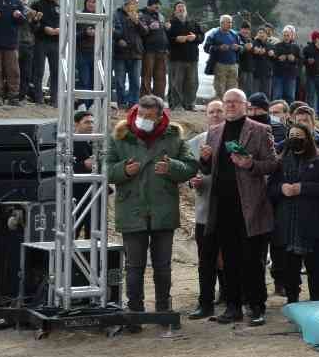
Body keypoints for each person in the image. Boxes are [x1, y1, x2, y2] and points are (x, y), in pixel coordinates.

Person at [107, 94, 195, 317]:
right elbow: (103, 168)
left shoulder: (174, 136)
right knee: (134, 266)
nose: (143, 119)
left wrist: (172, 167)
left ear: (159, 117)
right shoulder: (120, 136)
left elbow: (191, 166)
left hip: (163, 211)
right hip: (131, 211)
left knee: (163, 266)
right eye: (140, 114)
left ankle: (163, 308)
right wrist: (123, 171)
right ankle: (135, 311)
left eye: (149, 116)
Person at [197, 88, 278, 325]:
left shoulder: (261, 130)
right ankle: (232, 307)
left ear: (245, 105)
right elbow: (207, 169)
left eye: (235, 102)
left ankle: (256, 306)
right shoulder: (213, 131)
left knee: (253, 260)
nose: (230, 106)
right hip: (222, 206)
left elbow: (273, 164)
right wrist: (204, 159)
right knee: (229, 260)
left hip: (251, 206)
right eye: (227, 102)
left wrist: (251, 164)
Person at [269, 121, 319, 301]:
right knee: (290, 271)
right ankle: (293, 303)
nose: (295, 140)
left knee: (316, 270)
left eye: (299, 136)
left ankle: (318, 303)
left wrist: (302, 188)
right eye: (292, 136)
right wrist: (282, 188)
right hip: (287, 224)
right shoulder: (281, 161)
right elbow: (270, 189)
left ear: (308, 139)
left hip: (311, 222)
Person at [185, 98, 225, 320]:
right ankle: (205, 302)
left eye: (220, 111)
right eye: (212, 111)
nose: (216, 115)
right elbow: (189, 173)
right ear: (206, 115)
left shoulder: (234, 139)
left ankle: (230, 295)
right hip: (204, 209)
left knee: (229, 256)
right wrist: (192, 182)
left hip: (229, 209)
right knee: (206, 259)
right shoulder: (195, 143)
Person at [26, 0, 61, 105]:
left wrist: (59, 30)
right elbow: (31, 23)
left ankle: (54, 99)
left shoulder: (59, 7)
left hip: (56, 42)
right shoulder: (37, 4)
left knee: (56, 71)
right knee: (39, 71)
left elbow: (66, 23)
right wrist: (44, 28)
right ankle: (38, 97)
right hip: (40, 41)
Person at [165, 3, 201, 110]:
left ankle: (190, 104)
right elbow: (166, 39)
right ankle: (176, 105)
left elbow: (201, 37)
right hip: (176, 58)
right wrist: (176, 39)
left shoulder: (194, 23)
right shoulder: (170, 24)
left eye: (183, 8)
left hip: (192, 58)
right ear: (175, 11)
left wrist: (195, 37)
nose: (181, 10)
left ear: (186, 10)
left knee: (192, 83)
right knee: (176, 83)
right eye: (179, 8)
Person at [111, 0, 144, 108]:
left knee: (135, 81)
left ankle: (133, 104)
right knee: (120, 81)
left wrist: (137, 22)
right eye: (133, 2)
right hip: (120, 53)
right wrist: (118, 40)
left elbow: (145, 32)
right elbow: (112, 31)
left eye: (136, 3)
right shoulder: (116, 15)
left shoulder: (139, 15)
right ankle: (122, 103)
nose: (135, 4)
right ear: (126, 3)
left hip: (136, 53)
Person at [203, 15, 243, 98]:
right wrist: (219, 48)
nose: (230, 24)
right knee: (220, 89)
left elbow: (241, 47)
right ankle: (221, 106)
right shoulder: (214, 34)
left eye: (231, 22)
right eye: (228, 22)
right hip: (220, 65)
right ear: (221, 23)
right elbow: (206, 48)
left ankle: (230, 107)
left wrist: (238, 47)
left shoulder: (234, 34)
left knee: (232, 89)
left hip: (233, 65)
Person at [138, 0, 169, 100]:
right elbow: (140, 32)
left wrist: (166, 27)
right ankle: (145, 99)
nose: (158, 6)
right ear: (150, 4)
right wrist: (149, 27)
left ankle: (159, 100)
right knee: (147, 76)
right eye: (156, 4)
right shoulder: (142, 15)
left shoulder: (161, 16)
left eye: (159, 4)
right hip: (148, 51)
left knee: (161, 77)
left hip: (162, 51)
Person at [270, 25, 301, 103]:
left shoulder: (296, 47)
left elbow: (301, 60)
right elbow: (271, 59)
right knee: (277, 96)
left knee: (290, 96)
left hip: (291, 75)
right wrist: (278, 58)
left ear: (291, 36)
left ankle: (289, 114)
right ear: (282, 36)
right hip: (278, 75)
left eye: (288, 35)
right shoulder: (276, 46)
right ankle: (275, 114)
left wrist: (294, 59)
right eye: (284, 35)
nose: (286, 37)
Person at [76, 0, 98, 97]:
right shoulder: (79, 16)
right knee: (84, 80)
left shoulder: (101, 17)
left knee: (96, 81)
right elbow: (73, 36)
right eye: (89, 1)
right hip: (82, 53)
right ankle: (83, 103)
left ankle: (92, 104)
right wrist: (85, 32)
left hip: (98, 53)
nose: (91, 4)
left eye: (94, 2)